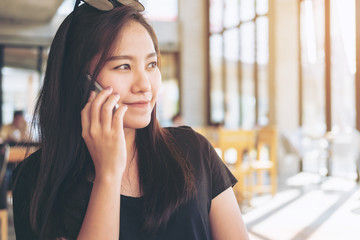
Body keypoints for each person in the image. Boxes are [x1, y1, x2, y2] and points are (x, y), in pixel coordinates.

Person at [12, 0, 249, 239]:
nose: (144, 85)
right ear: (80, 82)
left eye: (151, 64)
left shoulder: (194, 152)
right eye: (123, 66)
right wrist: (108, 174)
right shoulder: (37, 180)